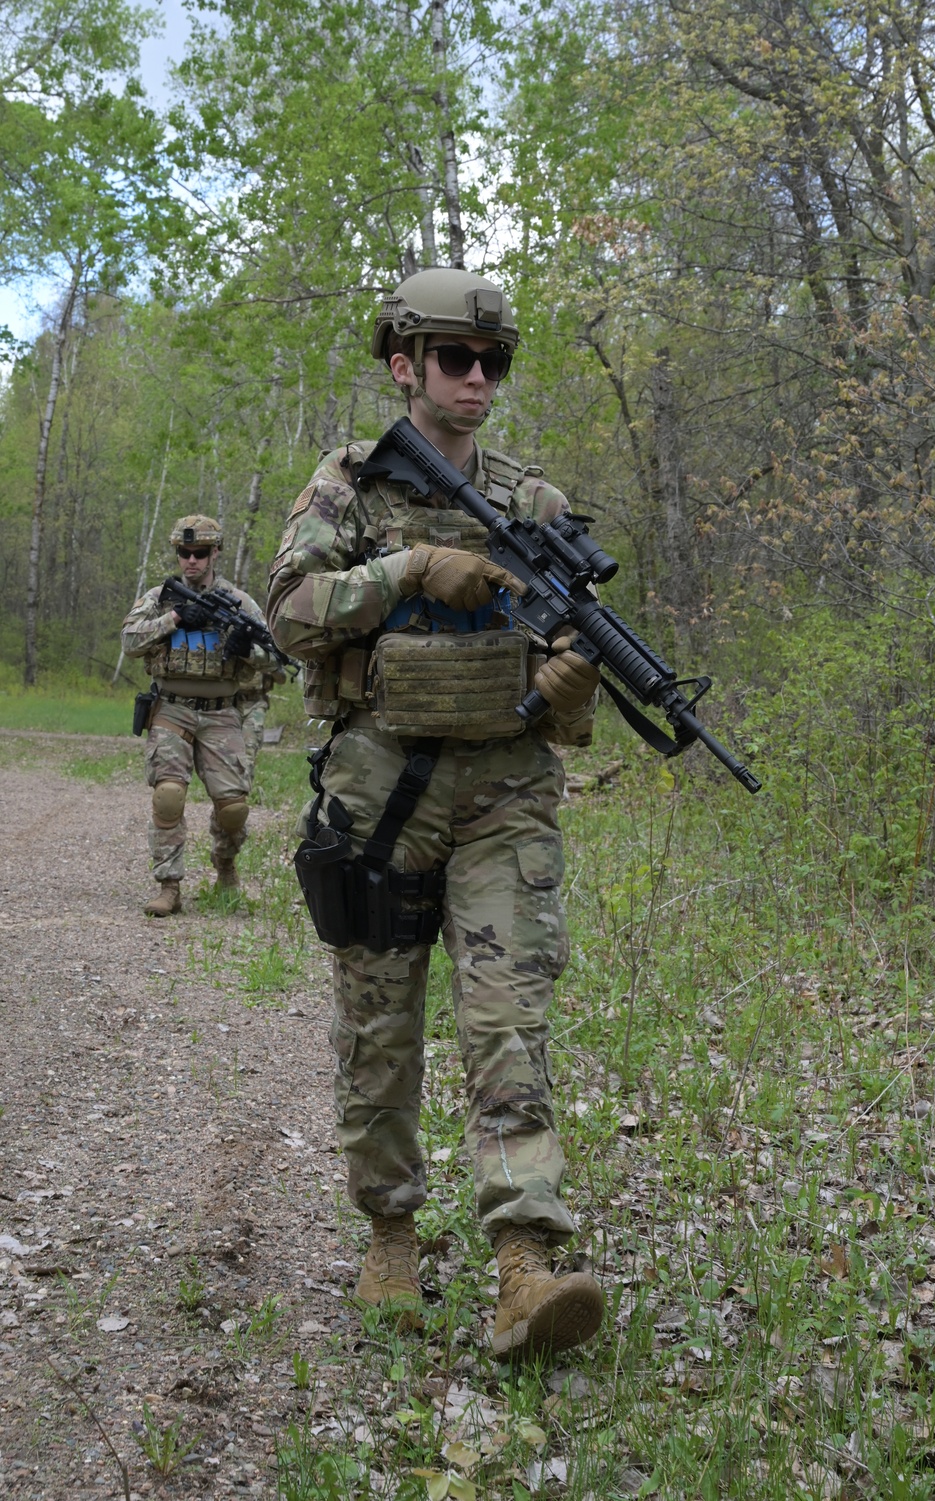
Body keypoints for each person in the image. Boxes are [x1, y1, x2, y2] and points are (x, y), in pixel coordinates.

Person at [266, 269, 605, 1358]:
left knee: (509, 1022)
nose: (475, 377)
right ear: (403, 363)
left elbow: (576, 663)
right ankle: (391, 1231)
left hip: (505, 794)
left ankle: (524, 1259)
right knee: (380, 1027)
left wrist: (572, 688)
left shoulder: (533, 506)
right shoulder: (350, 489)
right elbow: (290, 615)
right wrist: (410, 565)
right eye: (454, 357)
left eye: (492, 360)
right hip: (380, 792)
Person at [121, 514, 272, 917]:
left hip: (222, 713)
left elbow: (272, 658)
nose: (191, 560)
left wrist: (244, 648)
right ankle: (169, 886)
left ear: (215, 553)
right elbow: (129, 640)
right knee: (168, 795)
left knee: (233, 806)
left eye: (199, 553)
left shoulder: (239, 602)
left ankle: (225, 866)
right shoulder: (159, 598)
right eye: (184, 553)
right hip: (172, 707)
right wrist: (173, 619)